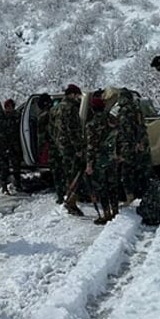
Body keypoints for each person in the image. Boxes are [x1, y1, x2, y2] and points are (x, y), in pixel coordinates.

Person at [84, 89, 119, 224]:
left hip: (100, 160)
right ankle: (115, 211)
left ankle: (106, 214)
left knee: (102, 187)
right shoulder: (112, 119)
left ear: (92, 109)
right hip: (113, 157)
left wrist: (89, 164)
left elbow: (91, 146)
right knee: (113, 185)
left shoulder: (91, 125)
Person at [114, 88, 152, 203]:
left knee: (126, 173)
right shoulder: (137, 109)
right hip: (141, 146)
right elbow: (141, 127)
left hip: (129, 146)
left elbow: (125, 132)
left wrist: (121, 151)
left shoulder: (125, 111)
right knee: (141, 172)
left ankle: (129, 198)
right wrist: (140, 143)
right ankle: (145, 197)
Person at [51, 84, 85, 215]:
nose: (78, 97)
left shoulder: (56, 108)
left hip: (62, 146)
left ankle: (68, 197)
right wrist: (78, 148)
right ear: (72, 94)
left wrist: (58, 142)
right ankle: (71, 202)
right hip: (71, 147)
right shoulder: (70, 108)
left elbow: (53, 128)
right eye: (77, 95)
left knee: (68, 173)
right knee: (76, 173)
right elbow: (73, 130)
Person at [0, 99, 23, 193]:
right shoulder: (0, 117)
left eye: (11, 106)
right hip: (3, 146)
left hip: (14, 145)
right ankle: (4, 186)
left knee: (16, 167)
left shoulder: (17, 116)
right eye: (7, 106)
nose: (9, 108)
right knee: (4, 168)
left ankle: (18, 184)